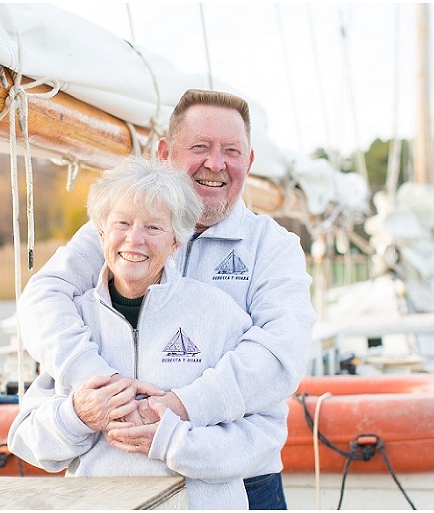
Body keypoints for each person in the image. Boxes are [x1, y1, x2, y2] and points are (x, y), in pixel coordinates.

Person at [16, 89, 317, 509]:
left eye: (231, 151)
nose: (216, 163)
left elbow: (279, 353)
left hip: (242, 482)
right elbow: (43, 299)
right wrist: (101, 388)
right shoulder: (120, 233)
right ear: (164, 154)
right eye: (200, 147)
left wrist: (181, 408)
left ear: (248, 163)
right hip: (113, 488)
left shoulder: (272, 247)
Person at [10, 155, 270, 509]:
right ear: (101, 233)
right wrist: (77, 416)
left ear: (176, 242)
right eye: (122, 223)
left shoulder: (218, 315)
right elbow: (26, 439)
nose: (134, 240)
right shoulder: (74, 324)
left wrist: (173, 442)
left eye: (153, 228)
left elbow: (263, 433)